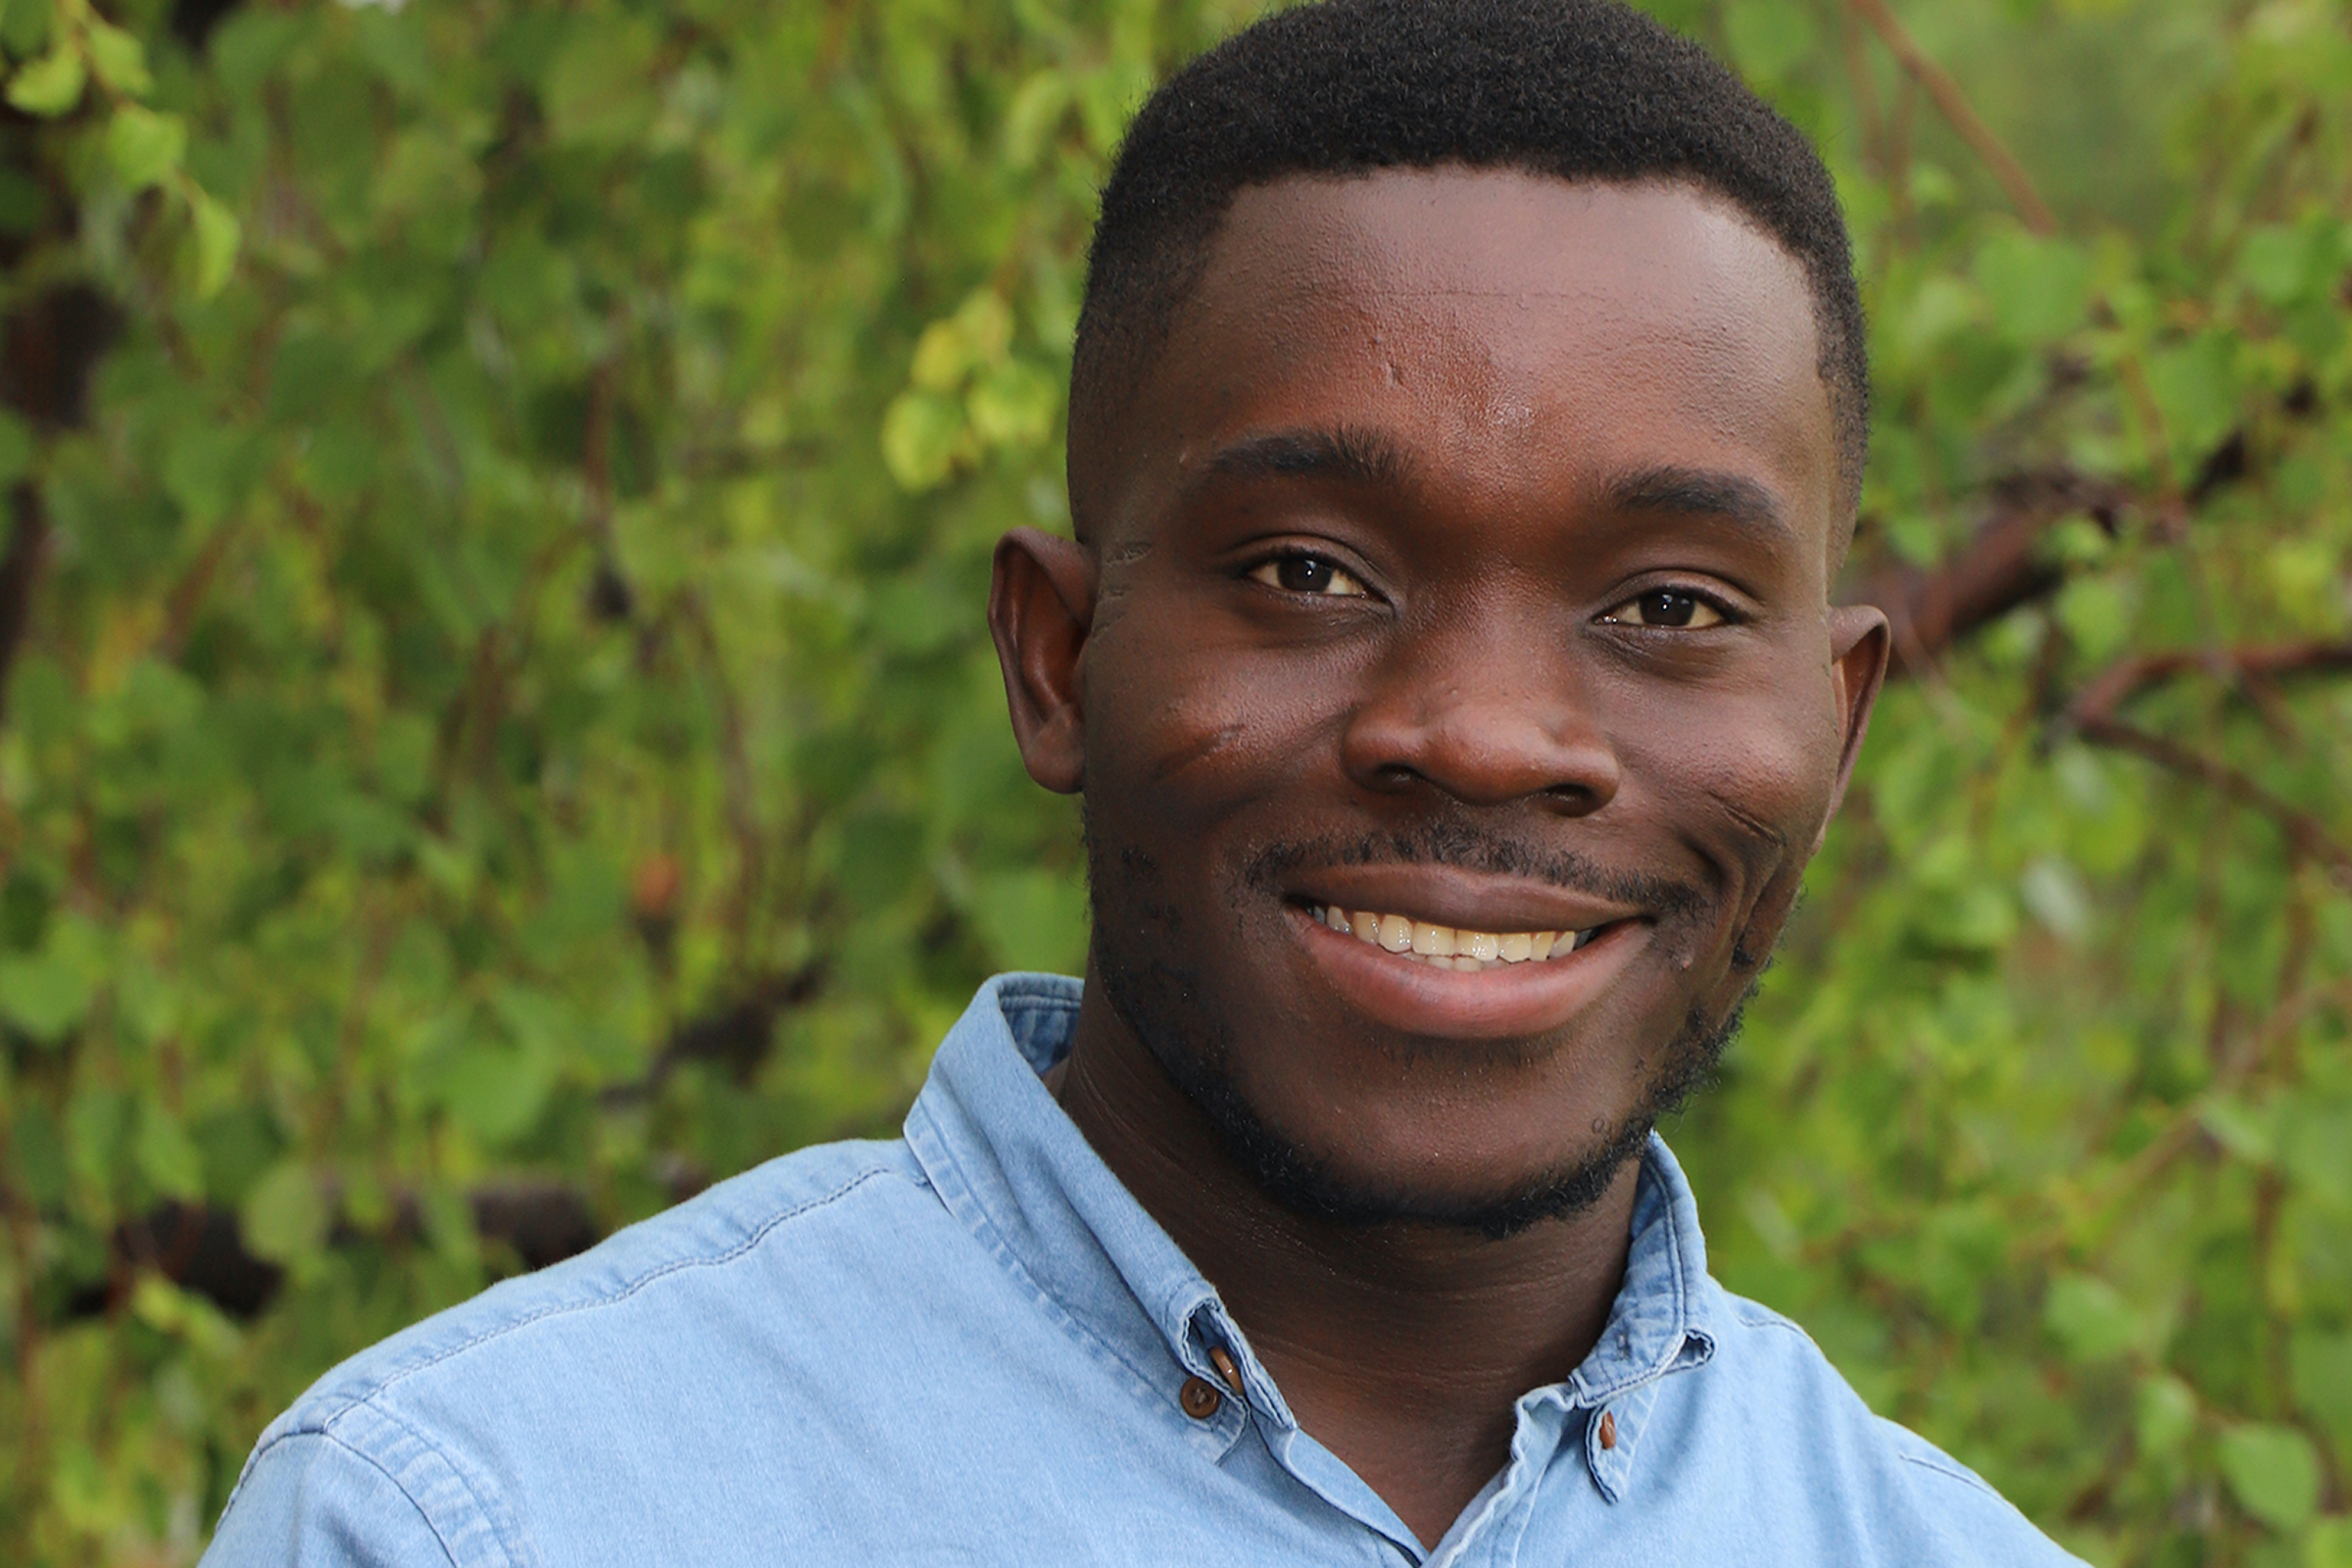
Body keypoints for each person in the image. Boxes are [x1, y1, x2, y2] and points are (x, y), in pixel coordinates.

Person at [202, 0, 2083, 1562]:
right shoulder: (479, 1521)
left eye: (1668, 603)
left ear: (1835, 740)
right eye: (1309, 574)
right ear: (1056, 662)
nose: (1490, 733)